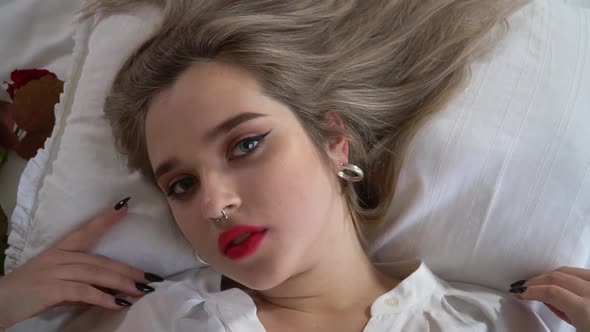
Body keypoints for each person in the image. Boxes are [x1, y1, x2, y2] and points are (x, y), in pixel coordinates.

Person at [1, 0, 589, 331]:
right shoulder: (154, 321)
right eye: (180, 184)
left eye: (245, 145)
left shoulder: (500, 323)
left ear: (335, 141)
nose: (214, 203)